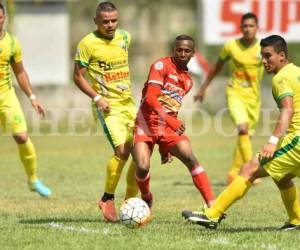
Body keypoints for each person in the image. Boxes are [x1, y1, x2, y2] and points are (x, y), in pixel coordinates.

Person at [183, 35, 300, 231]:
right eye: (262, 56)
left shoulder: (281, 78)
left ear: (281, 55)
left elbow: (287, 110)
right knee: (283, 176)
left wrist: (272, 141)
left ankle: (212, 214)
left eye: (268, 56)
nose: (264, 61)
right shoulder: (296, 71)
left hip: (296, 141)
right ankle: (296, 220)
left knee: (249, 169)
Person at [133, 35, 215, 210]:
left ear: (193, 53)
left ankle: (213, 205)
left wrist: (164, 147)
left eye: (187, 50)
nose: (182, 53)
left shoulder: (188, 81)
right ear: (174, 49)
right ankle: (146, 196)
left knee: (190, 157)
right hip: (145, 123)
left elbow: (172, 106)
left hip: (166, 127)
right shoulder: (160, 65)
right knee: (142, 166)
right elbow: (150, 98)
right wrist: (170, 120)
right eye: (179, 49)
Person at [73, 1, 138, 222]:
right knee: (122, 151)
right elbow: (77, 76)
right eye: (105, 21)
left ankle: (131, 201)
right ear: (95, 21)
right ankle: (107, 197)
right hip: (107, 107)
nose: (110, 25)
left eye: (113, 21)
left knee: (140, 153)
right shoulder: (87, 44)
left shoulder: (125, 37)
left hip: (129, 104)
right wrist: (97, 97)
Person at [194, 13, 264, 184]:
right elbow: (216, 67)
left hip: (254, 99)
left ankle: (233, 173)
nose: (248, 29)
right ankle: (252, 171)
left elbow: (277, 66)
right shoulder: (231, 46)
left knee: (245, 137)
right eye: (245, 26)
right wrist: (203, 88)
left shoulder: (263, 48)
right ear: (240, 28)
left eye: (251, 26)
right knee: (243, 129)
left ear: (257, 28)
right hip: (235, 93)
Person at [0, 4, 51, 197]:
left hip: (6, 95)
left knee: (22, 136)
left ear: (4, 18)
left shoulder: (12, 44)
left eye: (0, 17)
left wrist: (32, 97)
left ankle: (33, 180)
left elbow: (20, 72)